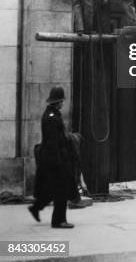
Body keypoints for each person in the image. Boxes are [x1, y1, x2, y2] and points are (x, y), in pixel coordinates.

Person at [28, 87, 77, 228]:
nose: (63, 103)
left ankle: (36, 208)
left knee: (50, 188)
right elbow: (52, 143)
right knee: (61, 190)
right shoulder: (52, 119)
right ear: (59, 101)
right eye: (62, 100)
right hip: (55, 160)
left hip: (52, 159)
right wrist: (59, 163)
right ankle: (59, 220)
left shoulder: (53, 115)